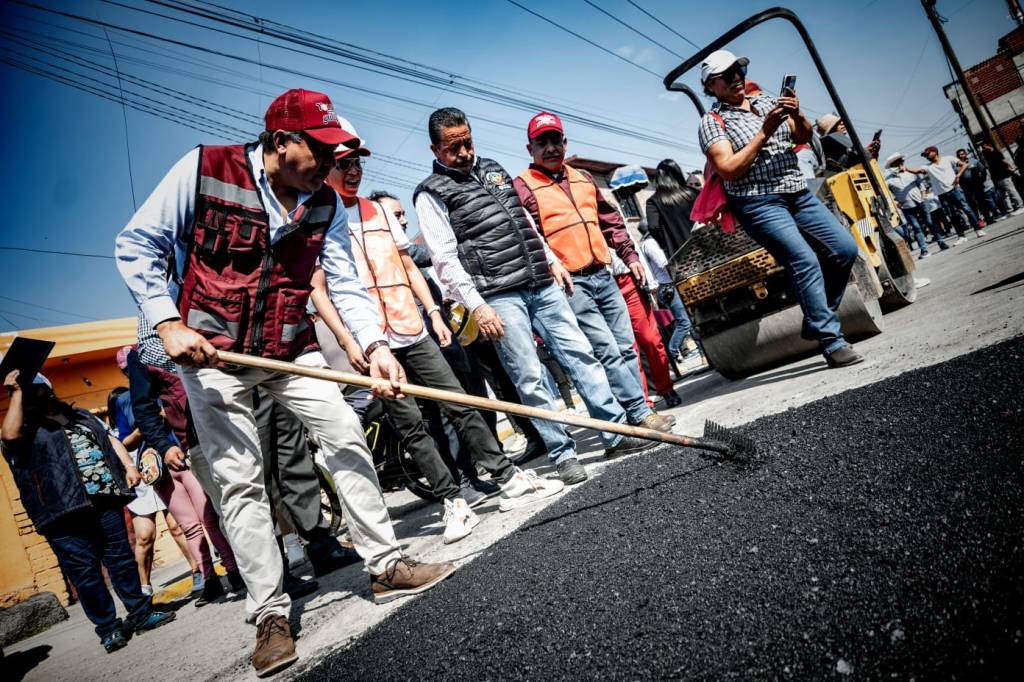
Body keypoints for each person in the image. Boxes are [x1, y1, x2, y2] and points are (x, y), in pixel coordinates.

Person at [115, 88, 455, 677]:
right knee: (240, 480)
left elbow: (343, 279)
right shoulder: (204, 169)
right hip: (212, 354)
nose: (329, 165)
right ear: (279, 143)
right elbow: (136, 243)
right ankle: (269, 613)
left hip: (290, 345)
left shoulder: (323, 202)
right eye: (318, 151)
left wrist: (373, 346)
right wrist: (166, 321)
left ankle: (386, 565)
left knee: (346, 432)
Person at [319, 121, 563, 543]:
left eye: (357, 161)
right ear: (325, 167)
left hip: (411, 327)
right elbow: (320, 288)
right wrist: (347, 340)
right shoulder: (317, 218)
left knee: (461, 403)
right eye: (343, 163)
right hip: (372, 341)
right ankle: (453, 501)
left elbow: (408, 264)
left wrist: (432, 312)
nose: (353, 170)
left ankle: (507, 478)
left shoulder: (376, 211)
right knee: (410, 423)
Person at [414, 107, 657, 486]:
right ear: (434, 149)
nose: (463, 153)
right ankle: (562, 453)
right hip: (498, 294)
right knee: (529, 376)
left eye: (467, 142)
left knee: (581, 354)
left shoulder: (493, 168)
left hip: (540, 281)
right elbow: (444, 259)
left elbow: (523, 220)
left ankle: (615, 432)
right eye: (452, 148)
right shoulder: (431, 194)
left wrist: (550, 260)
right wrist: (477, 305)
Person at [698, 50, 862, 368]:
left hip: (797, 192)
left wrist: (798, 115)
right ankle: (831, 341)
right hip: (759, 202)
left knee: (844, 249)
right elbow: (729, 168)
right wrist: (764, 132)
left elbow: (801, 136)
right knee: (803, 260)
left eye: (739, 71)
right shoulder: (712, 122)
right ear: (710, 86)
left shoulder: (766, 103)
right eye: (727, 75)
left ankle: (817, 318)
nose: (736, 78)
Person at [513, 112, 674, 435]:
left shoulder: (583, 178)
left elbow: (611, 221)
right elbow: (529, 236)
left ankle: (639, 408)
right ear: (529, 148)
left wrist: (631, 257)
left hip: (603, 273)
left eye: (555, 140)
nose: (550, 148)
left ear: (565, 142)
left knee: (626, 346)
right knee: (605, 349)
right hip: (572, 283)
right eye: (541, 142)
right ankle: (638, 413)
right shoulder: (523, 186)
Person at [2, 371, 175, 653]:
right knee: (85, 574)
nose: (38, 393)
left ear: (49, 388)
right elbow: (8, 436)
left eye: (38, 387)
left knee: (121, 560)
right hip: (62, 511)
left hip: (104, 500)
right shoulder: (24, 428)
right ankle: (108, 629)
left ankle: (141, 614)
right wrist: (15, 393)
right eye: (29, 390)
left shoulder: (80, 416)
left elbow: (110, 440)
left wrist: (129, 467)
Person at [107, 381, 201, 598]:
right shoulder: (113, 432)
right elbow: (125, 444)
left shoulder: (154, 414)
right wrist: (140, 430)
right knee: (144, 536)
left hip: (158, 470)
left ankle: (198, 569)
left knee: (177, 527)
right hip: (138, 482)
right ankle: (145, 586)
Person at [905, 146, 986, 242]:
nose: (926, 156)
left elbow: (964, 165)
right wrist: (906, 168)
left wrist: (958, 176)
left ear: (934, 152)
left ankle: (978, 230)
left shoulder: (948, 159)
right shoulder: (927, 167)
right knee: (952, 215)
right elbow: (916, 170)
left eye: (927, 154)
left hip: (954, 190)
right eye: (925, 155)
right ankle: (961, 236)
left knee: (967, 209)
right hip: (942, 195)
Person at [883, 152, 949, 258]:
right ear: (892, 166)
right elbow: (886, 193)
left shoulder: (911, 172)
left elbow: (921, 183)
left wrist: (923, 194)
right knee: (916, 228)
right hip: (906, 206)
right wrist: (895, 202)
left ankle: (941, 242)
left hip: (921, 201)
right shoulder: (888, 180)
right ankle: (924, 250)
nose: (900, 164)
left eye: (901, 162)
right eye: (896, 163)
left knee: (930, 222)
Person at [645, 159, 699, 258]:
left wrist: (665, 242)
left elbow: (653, 227)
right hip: (703, 246)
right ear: (678, 173)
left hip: (680, 255)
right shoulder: (693, 193)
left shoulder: (653, 202)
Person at [957, 148, 1001, 224]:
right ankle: (978, 222)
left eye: (963, 154)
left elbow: (983, 170)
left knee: (982, 203)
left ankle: (988, 219)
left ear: (966, 154)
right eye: (959, 155)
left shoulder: (974, 161)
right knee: (973, 206)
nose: (961, 156)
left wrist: (982, 180)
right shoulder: (957, 166)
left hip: (977, 186)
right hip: (967, 189)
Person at [980, 141, 1024, 215]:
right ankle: (1010, 210)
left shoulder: (996, 153)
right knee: (1003, 195)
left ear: (989, 145)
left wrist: (1011, 167)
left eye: (984, 147)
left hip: (1004, 175)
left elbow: (1004, 161)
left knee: (1011, 191)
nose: (984, 149)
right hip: (997, 178)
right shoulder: (987, 156)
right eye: (983, 148)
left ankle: (1021, 206)